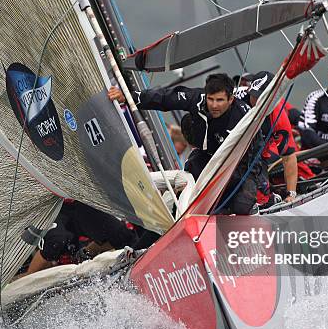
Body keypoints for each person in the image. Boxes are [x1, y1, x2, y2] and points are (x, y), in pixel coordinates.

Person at [108, 73, 267, 215]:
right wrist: (129, 97)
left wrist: (251, 181)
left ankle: (242, 210)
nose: (214, 105)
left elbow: (256, 155)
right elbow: (165, 97)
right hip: (207, 153)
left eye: (220, 100)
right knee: (188, 182)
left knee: (241, 205)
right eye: (211, 99)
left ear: (230, 100)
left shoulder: (245, 117)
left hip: (239, 162)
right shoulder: (197, 98)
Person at [24, 200, 137, 275]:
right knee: (56, 241)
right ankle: (26, 282)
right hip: (50, 205)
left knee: (123, 235)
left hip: (77, 201)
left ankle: (86, 253)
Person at [237, 71, 299, 203]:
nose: (257, 101)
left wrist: (291, 194)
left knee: (261, 199)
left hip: (256, 155)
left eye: (262, 98)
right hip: (225, 147)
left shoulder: (279, 117)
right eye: (254, 95)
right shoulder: (235, 97)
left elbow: (288, 157)